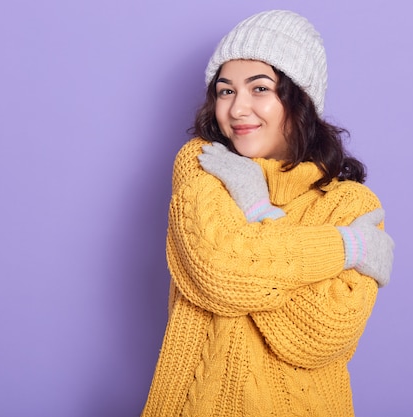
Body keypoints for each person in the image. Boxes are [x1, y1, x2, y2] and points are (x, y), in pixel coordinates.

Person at [141, 9, 395, 417]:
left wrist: (259, 211)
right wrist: (347, 245)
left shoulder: (352, 203)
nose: (238, 108)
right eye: (225, 91)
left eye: (259, 88)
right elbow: (219, 270)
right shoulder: (203, 162)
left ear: (301, 100)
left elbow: (322, 335)